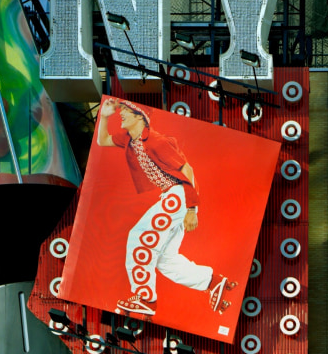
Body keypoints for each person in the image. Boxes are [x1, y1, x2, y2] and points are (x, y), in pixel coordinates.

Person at [95, 97, 236, 318]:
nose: (120, 114)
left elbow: (187, 171)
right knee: (164, 259)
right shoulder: (129, 139)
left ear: (139, 116)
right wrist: (104, 115)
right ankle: (213, 282)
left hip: (179, 194)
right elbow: (102, 140)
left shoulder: (157, 142)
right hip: (172, 196)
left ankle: (145, 298)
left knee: (138, 237)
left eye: (126, 111)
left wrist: (191, 209)